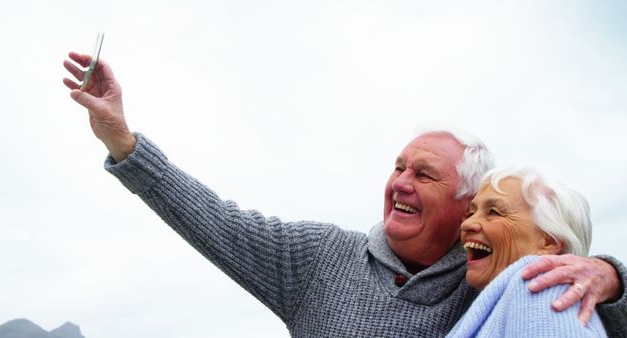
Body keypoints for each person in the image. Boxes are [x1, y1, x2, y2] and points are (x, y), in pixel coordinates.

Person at [62, 52, 627, 337]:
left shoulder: (489, 278)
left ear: (466, 205)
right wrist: (124, 142)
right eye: (397, 167)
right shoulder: (319, 257)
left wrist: (610, 275)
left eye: (424, 175)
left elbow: (567, 302)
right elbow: (216, 220)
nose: (399, 182)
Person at [447, 167, 607, 337]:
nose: (467, 224)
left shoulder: (542, 286)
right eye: (472, 213)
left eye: (494, 212)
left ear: (549, 241)